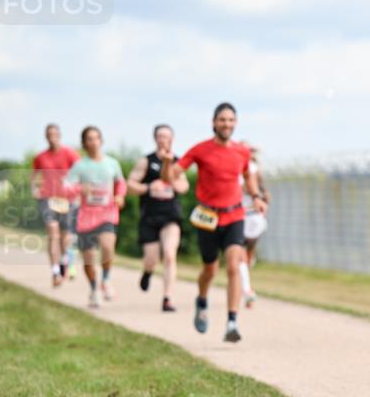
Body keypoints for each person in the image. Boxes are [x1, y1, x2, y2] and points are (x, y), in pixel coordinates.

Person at [159, 102, 268, 343]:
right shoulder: (200, 150)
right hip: (208, 218)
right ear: (213, 122)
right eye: (222, 120)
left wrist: (257, 197)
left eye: (230, 120)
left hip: (235, 215)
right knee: (209, 269)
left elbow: (248, 179)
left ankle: (232, 322)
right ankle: (202, 300)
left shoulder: (242, 152)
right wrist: (167, 161)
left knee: (233, 266)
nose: (226, 124)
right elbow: (170, 177)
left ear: (235, 123)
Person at [127, 124, 189, 312]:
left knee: (170, 255)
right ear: (155, 138)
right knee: (151, 259)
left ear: (172, 139)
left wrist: (170, 180)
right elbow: (130, 185)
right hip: (150, 216)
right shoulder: (146, 162)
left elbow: (184, 187)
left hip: (170, 216)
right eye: (160, 136)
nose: (163, 139)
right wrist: (148, 188)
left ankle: (167, 298)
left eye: (166, 136)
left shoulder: (178, 163)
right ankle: (148, 272)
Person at [63, 126, 127, 309]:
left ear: (101, 140)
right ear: (84, 143)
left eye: (96, 138)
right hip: (86, 217)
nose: (93, 142)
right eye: (89, 139)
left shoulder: (112, 163)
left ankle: (105, 280)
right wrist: (79, 189)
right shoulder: (80, 166)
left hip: (107, 213)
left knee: (108, 247)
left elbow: (120, 182)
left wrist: (120, 196)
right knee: (89, 258)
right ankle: (93, 289)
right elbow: (65, 187)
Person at [32, 124, 81, 286]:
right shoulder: (40, 156)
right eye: (49, 134)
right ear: (46, 136)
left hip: (67, 198)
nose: (52, 136)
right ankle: (55, 271)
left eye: (55, 133)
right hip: (48, 197)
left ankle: (64, 261)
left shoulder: (70, 153)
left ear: (59, 135)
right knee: (53, 232)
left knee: (65, 236)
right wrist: (35, 189)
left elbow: (80, 172)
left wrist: (76, 189)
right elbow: (34, 175)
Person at [239, 144, 270, 308]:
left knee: (248, 252)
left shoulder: (254, 169)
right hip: (238, 216)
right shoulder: (234, 168)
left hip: (253, 217)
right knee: (240, 252)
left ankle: (247, 268)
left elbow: (264, 192)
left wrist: (261, 199)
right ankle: (247, 290)